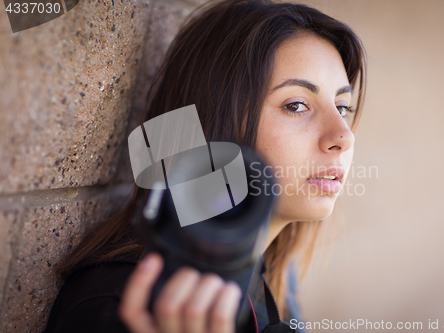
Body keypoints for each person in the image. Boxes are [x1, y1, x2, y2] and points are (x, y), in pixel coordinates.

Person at [43, 0, 367, 332]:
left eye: (342, 107)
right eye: (296, 105)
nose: (343, 136)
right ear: (216, 125)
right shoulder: (129, 307)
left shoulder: (274, 276)